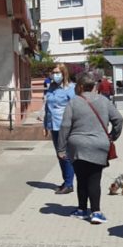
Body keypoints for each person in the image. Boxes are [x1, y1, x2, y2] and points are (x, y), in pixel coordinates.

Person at [57, 72, 123, 224]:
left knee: (81, 179)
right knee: (94, 179)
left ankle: (81, 210)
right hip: (99, 146)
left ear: (80, 86)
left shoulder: (73, 102)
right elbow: (118, 119)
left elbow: (65, 126)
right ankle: (96, 212)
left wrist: (61, 148)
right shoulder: (104, 101)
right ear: (94, 86)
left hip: (77, 146)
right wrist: (113, 136)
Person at [43, 64, 76, 194]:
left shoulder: (70, 88)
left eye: (57, 72)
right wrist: (45, 125)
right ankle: (66, 181)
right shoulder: (51, 87)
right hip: (53, 125)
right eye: (53, 72)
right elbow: (47, 108)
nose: (54, 74)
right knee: (59, 155)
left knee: (65, 155)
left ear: (64, 73)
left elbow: (75, 107)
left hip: (65, 126)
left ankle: (69, 184)